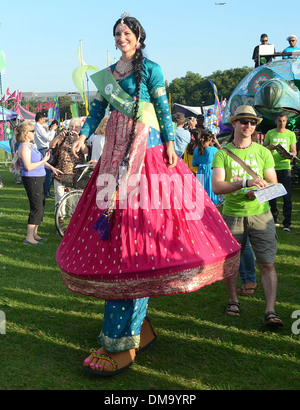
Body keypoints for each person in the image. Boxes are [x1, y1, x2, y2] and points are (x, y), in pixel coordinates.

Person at [56, 14, 240, 377]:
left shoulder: (152, 68)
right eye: (117, 34)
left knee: (137, 242)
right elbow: (96, 113)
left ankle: (123, 339)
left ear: (138, 36)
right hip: (113, 160)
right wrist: (81, 136)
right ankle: (136, 329)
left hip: (149, 156)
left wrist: (171, 144)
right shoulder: (109, 75)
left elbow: (163, 109)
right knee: (117, 242)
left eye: (126, 32)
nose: (121, 37)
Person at [211, 105, 283, 327]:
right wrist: (244, 183)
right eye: (243, 121)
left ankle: (270, 310)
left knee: (267, 264)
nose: (248, 125)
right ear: (234, 123)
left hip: (261, 216)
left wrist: (258, 193)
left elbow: (275, 185)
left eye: (252, 122)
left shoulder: (264, 152)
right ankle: (233, 300)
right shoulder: (222, 153)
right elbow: (217, 186)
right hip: (233, 215)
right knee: (231, 263)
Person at [16, 122, 62, 245]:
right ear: (26, 133)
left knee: (41, 206)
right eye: (32, 131)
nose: (34, 133)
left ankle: (35, 233)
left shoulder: (31, 145)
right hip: (32, 179)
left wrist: (51, 167)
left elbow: (42, 161)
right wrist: (44, 160)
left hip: (39, 177)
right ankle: (29, 237)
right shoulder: (24, 147)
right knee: (36, 207)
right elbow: (29, 167)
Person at [49, 118, 88, 221]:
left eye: (76, 127)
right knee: (60, 198)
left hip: (75, 174)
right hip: (60, 172)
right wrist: (58, 136)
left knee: (74, 201)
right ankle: (60, 220)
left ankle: (72, 222)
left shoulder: (82, 139)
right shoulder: (63, 138)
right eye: (72, 126)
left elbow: (85, 151)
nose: (73, 129)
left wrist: (78, 139)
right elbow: (51, 146)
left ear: (80, 128)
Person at [263, 113, 297, 231]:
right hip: (272, 167)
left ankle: (287, 223)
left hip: (285, 167)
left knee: (286, 196)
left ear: (286, 121)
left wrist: (290, 155)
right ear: (275, 121)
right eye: (279, 121)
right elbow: (263, 148)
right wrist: (270, 148)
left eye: (283, 121)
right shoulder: (270, 133)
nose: (282, 123)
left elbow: (294, 151)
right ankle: (274, 218)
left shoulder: (290, 134)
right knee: (272, 194)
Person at [34, 112, 58, 198]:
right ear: (40, 119)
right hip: (44, 150)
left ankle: (45, 191)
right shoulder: (39, 127)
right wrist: (53, 130)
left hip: (42, 149)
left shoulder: (37, 127)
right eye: (43, 119)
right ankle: (46, 192)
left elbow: (46, 136)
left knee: (45, 171)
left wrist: (50, 130)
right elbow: (49, 138)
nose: (44, 120)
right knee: (48, 172)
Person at [192, 129, 219, 205]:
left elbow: (194, 163)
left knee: (200, 194)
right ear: (210, 139)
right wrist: (217, 143)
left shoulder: (196, 149)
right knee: (210, 191)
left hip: (200, 172)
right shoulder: (213, 150)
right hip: (210, 173)